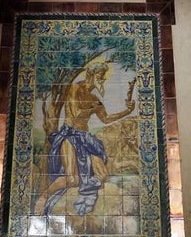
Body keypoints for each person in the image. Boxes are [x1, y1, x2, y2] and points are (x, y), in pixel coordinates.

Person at [36, 56, 136, 216]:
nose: (102, 80)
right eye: (99, 77)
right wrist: (92, 108)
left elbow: (106, 118)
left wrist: (127, 111)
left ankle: (86, 194)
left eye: (103, 77)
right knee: (72, 180)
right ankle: (44, 196)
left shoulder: (95, 99)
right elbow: (76, 115)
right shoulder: (76, 89)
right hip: (69, 136)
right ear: (91, 75)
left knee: (103, 175)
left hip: (86, 137)